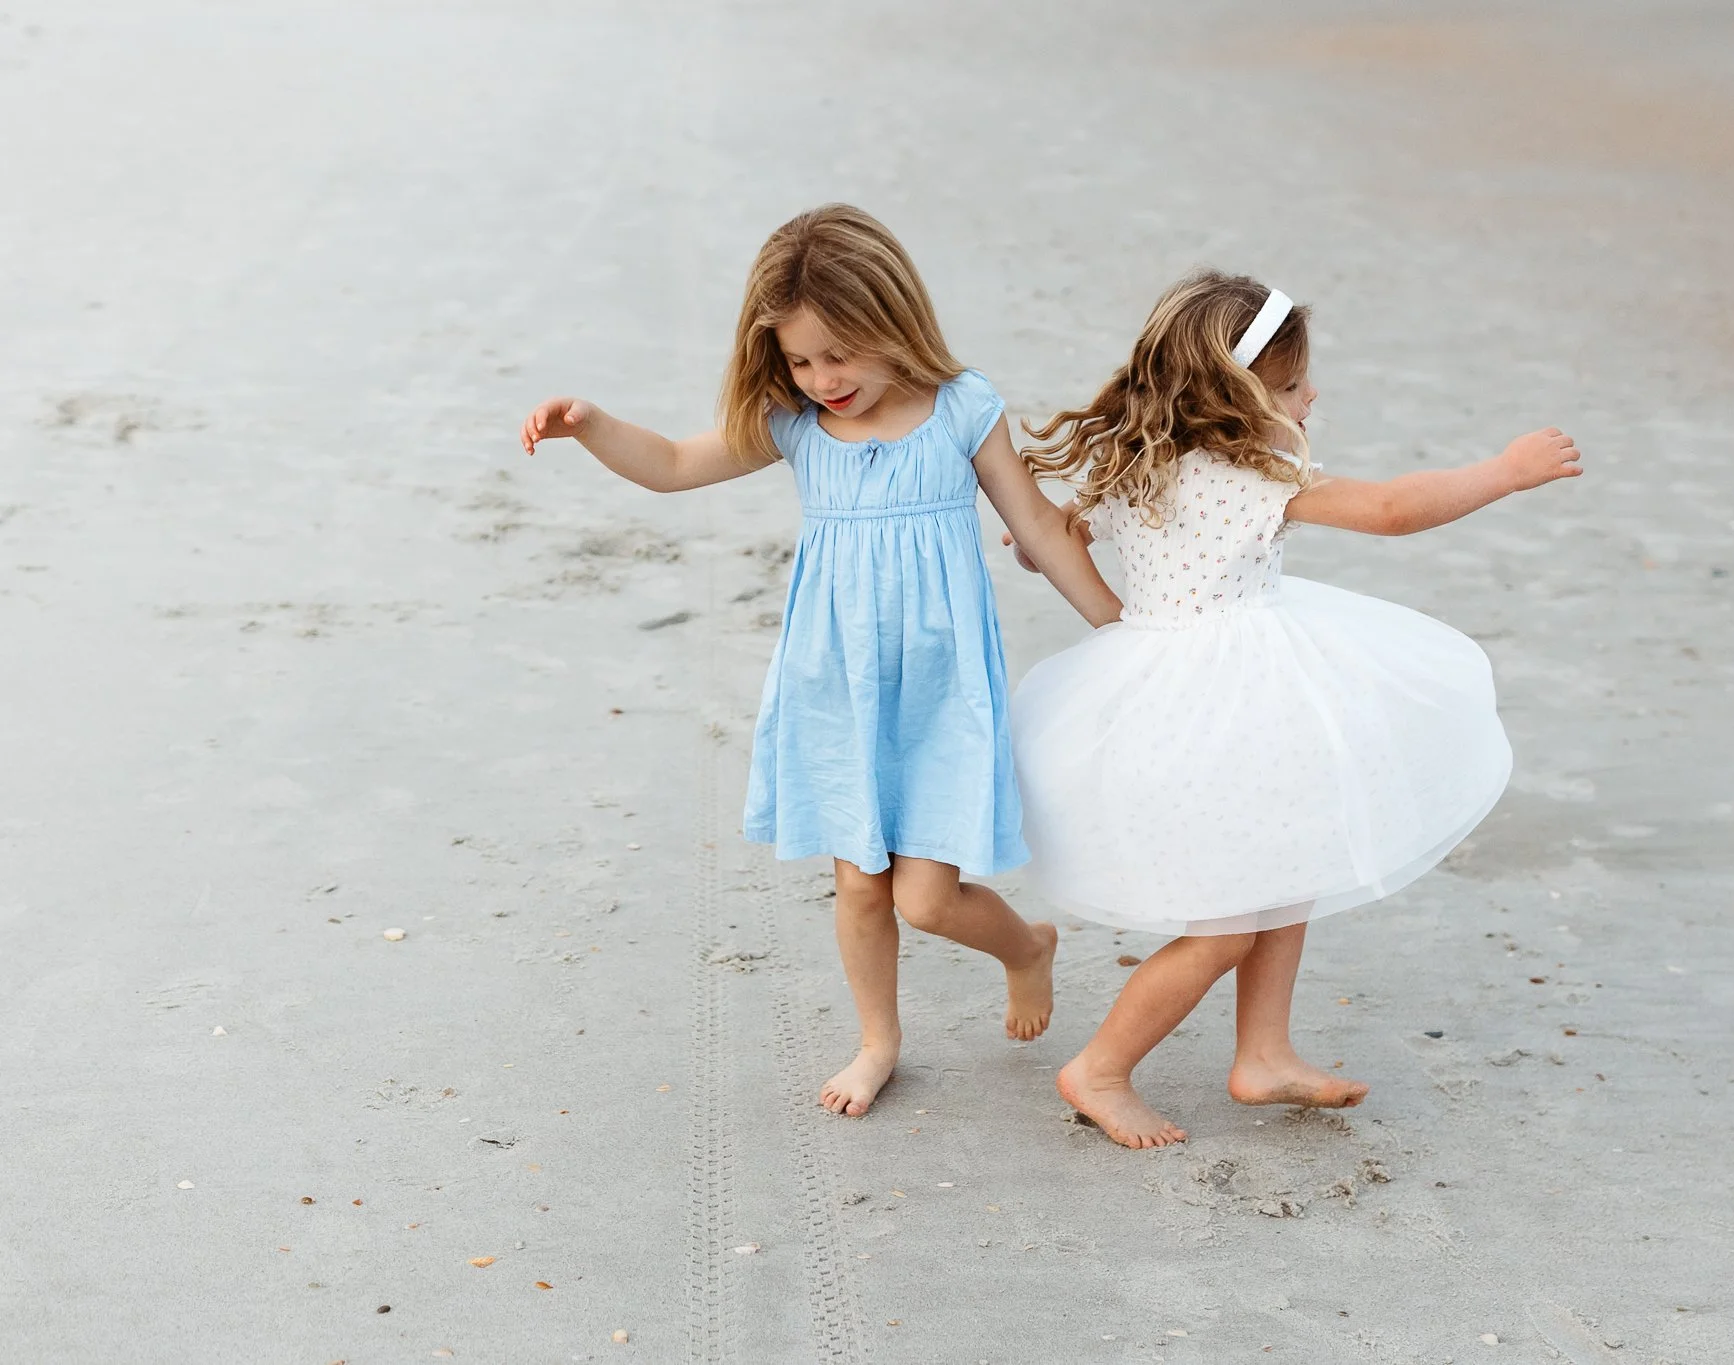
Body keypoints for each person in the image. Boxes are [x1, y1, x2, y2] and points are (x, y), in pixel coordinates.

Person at [520, 205, 1122, 1117]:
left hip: (937, 692)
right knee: (856, 881)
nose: (821, 378)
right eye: (801, 360)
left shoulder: (964, 408)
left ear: (894, 323)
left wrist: (1120, 627)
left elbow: (1035, 523)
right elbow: (677, 463)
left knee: (927, 897)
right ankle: (879, 1039)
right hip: (836, 688)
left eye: (838, 354)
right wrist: (593, 424)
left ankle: (1026, 947)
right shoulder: (796, 422)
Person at [1010, 269, 1581, 1147]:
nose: (1309, 395)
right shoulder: (1254, 472)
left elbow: (1056, 537)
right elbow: (1390, 510)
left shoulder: (1141, 459)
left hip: (1165, 699)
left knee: (1285, 863)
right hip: (1219, 707)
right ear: (1234, 397)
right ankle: (1101, 1067)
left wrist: (1042, 541)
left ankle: (1265, 1053)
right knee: (1225, 925)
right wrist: (1503, 472)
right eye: (1287, 385)